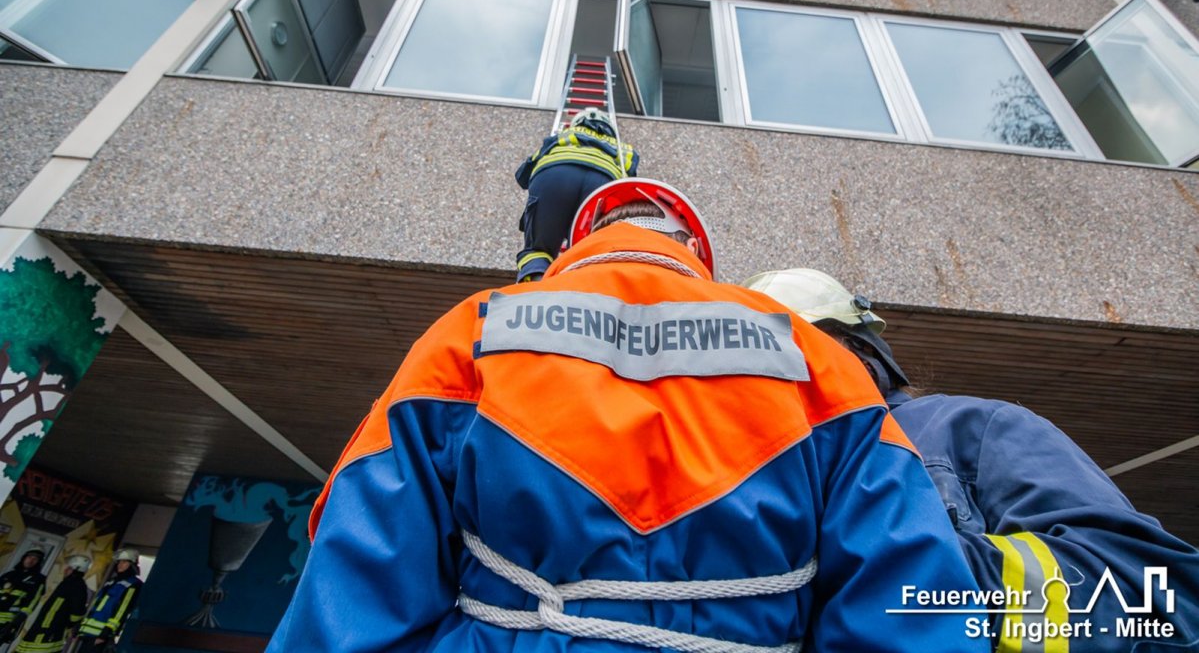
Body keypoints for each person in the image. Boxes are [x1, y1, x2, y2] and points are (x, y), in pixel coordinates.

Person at [268, 178, 986, 652]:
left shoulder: (470, 332)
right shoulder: (816, 358)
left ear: (575, 245)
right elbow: (912, 598)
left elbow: (354, 585)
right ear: (694, 251)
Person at [745, 267, 1199, 652]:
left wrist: (917, 571)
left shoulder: (969, 428)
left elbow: (1160, 599)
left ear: (863, 353)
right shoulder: (757, 479)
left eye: (798, 350)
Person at [513, 107, 638, 283]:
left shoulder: (562, 136)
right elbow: (629, 183)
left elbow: (522, 175)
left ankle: (536, 284)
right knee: (588, 252)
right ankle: (580, 290)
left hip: (555, 175)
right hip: (602, 184)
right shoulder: (625, 149)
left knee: (538, 250)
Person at [14, 555, 90, 653]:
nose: (65, 570)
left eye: (69, 568)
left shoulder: (76, 585)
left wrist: (66, 624)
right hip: (45, 630)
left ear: (75, 569)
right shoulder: (70, 583)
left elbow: (77, 613)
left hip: (48, 633)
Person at [75, 548, 142, 651]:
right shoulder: (111, 582)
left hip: (101, 636)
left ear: (132, 565)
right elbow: (96, 606)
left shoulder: (133, 584)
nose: (120, 564)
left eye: (124, 562)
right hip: (87, 633)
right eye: (119, 561)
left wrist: (107, 632)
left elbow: (122, 610)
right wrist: (80, 626)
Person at [0, 550, 45, 647]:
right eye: (29, 557)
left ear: (38, 563)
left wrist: (21, 617)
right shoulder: (9, 574)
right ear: (24, 558)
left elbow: (34, 599)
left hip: (8, 621)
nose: (31, 560)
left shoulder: (38, 579)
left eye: (35, 559)